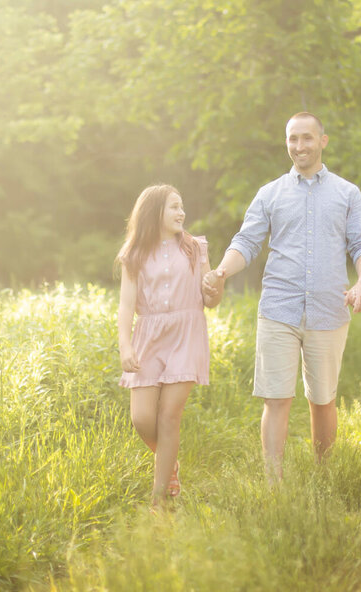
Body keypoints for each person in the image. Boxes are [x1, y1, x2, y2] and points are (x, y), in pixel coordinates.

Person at [202, 112, 361, 480]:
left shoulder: (347, 193)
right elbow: (246, 243)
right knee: (276, 398)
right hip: (278, 308)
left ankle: (323, 477)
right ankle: (273, 485)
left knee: (323, 400)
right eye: (293, 139)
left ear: (323, 141)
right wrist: (219, 272)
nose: (299, 146)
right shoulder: (270, 194)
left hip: (329, 309)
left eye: (307, 138)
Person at [117, 184, 221, 507]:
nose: (182, 213)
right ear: (154, 213)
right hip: (148, 336)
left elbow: (210, 300)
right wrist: (125, 346)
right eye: (174, 207)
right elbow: (125, 305)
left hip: (186, 334)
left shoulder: (195, 248)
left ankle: (159, 500)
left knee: (169, 416)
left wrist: (215, 287)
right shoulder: (134, 254)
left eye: (182, 206)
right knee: (142, 418)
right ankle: (169, 461)